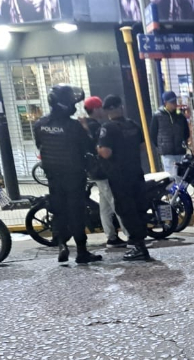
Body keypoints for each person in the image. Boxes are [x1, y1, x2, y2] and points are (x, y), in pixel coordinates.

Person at [33, 85, 102, 264]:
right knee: (76, 211)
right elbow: (88, 146)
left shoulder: (40, 124)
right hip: (74, 174)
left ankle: (62, 245)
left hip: (52, 175)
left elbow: (39, 145)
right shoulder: (73, 126)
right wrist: (86, 128)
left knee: (59, 210)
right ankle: (81, 251)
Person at [97, 95, 152, 262]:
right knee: (139, 208)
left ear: (108, 110)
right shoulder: (133, 125)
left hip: (119, 176)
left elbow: (106, 152)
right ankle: (140, 244)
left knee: (126, 210)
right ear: (121, 107)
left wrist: (97, 148)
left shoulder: (108, 128)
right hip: (136, 172)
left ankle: (138, 247)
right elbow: (142, 147)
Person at [83, 96, 127, 249]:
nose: (104, 110)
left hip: (95, 171)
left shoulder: (88, 125)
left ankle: (111, 237)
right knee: (117, 203)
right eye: (101, 107)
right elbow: (100, 149)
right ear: (95, 109)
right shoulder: (96, 127)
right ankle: (131, 235)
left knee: (105, 206)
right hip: (102, 171)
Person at [150, 91, 191, 177]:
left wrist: (184, 143)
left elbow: (186, 132)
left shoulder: (180, 116)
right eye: (172, 102)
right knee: (171, 176)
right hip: (167, 153)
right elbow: (153, 134)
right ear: (165, 103)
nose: (174, 104)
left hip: (180, 151)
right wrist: (162, 146)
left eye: (175, 101)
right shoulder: (157, 116)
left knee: (182, 176)